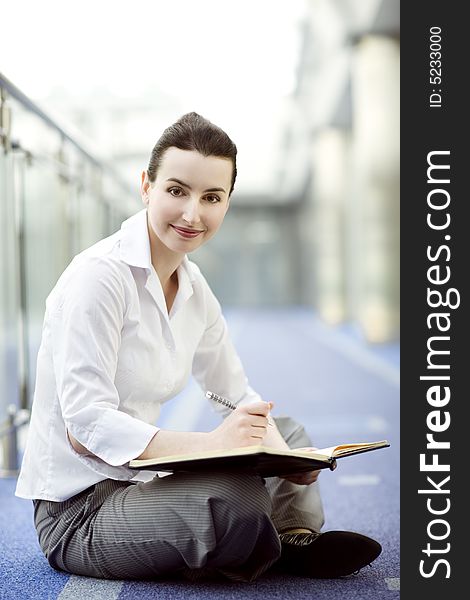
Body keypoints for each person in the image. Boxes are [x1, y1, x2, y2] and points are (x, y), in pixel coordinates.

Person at [15, 112, 381, 582]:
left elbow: (232, 392)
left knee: (285, 430)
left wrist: (287, 456)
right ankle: (266, 542)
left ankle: (293, 538)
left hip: (146, 485)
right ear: (146, 186)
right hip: (81, 513)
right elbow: (84, 429)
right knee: (234, 499)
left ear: (227, 203)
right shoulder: (99, 278)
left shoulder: (192, 284)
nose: (192, 214)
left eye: (211, 197)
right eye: (176, 190)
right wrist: (212, 444)